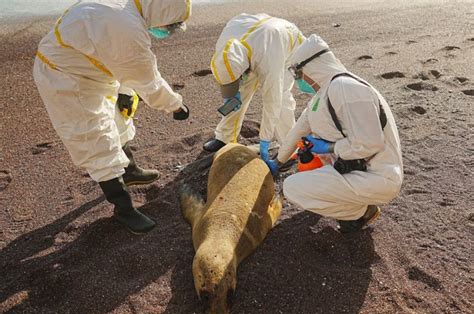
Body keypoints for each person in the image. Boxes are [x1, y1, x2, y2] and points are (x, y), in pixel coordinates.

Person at [33, 0, 192, 234]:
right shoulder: (125, 27)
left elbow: (118, 57)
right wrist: (176, 106)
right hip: (66, 79)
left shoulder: (129, 8)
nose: (167, 31)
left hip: (93, 69)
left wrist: (125, 90)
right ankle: (123, 208)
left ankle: (129, 170)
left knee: (119, 119)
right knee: (97, 139)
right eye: (169, 26)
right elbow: (148, 80)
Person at [265, 34, 403, 233]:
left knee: (292, 187)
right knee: (308, 166)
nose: (299, 81)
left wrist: (329, 147)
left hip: (379, 176)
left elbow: (370, 143)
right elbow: (298, 132)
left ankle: (359, 212)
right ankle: (355, 206)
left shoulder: (346, 88)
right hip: (354, 167)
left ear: (313, 66)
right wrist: (277, 162)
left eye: (298, 74)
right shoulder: (322, 95)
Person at [203, 13, 305, 163]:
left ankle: (289, 149)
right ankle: (225, 137)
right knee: (240, 91)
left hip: (287, 45)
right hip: (257, 41)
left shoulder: (269, 59)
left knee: (281, 98)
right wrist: (231, 93)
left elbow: (272, 101)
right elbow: (229, 71)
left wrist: (264, 139)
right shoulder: (224, 48)